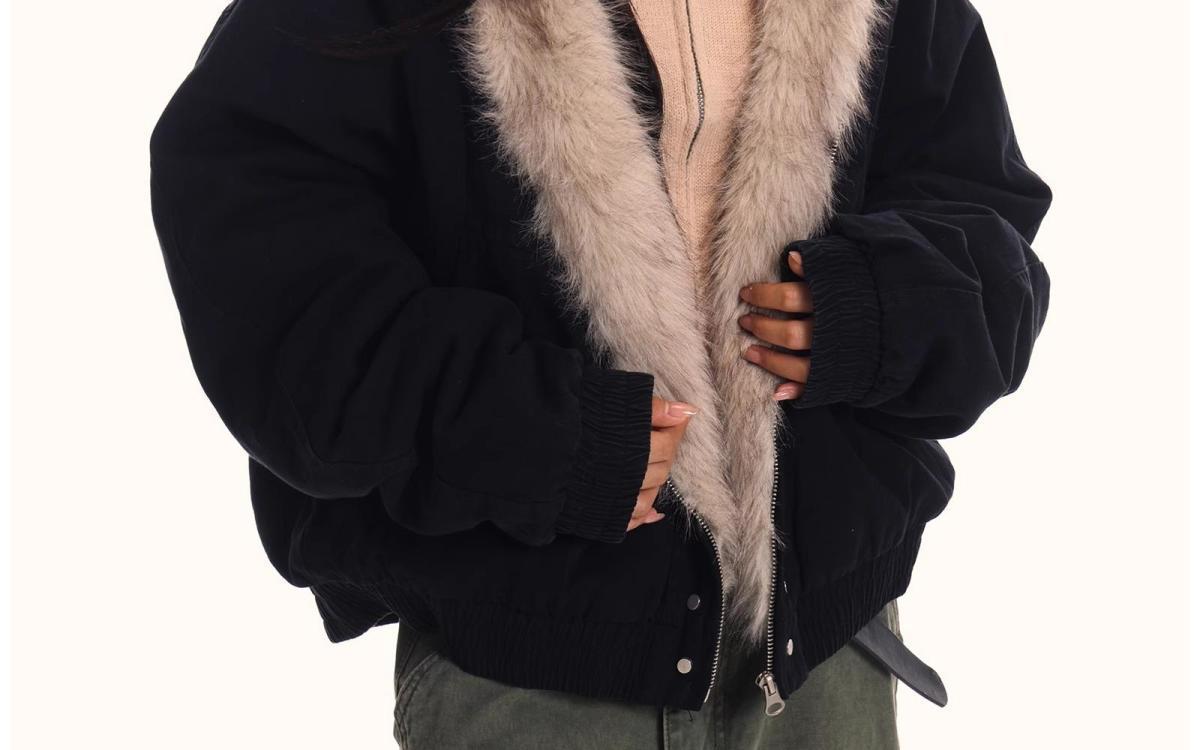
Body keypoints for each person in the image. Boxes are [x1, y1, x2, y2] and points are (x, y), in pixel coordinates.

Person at [148, 0, 1051, 746]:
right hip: (533, 676)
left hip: (825, 665)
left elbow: (985, 220)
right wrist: (528, 432)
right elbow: (268, 269)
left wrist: (882, 309)